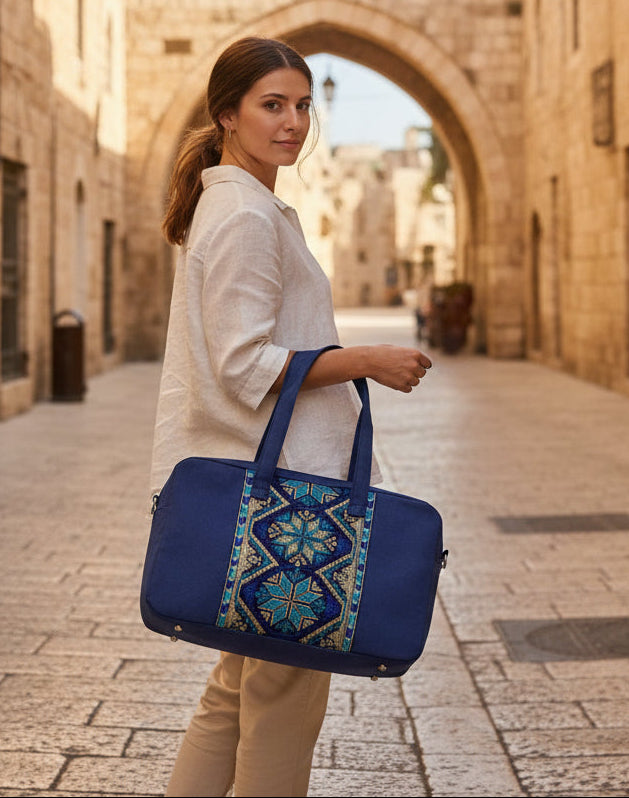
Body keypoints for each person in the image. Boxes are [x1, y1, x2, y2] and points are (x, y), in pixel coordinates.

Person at [149, 36, 432, 798]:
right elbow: (245, 365)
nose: (293, 123)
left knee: (234, 695)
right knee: (280, 703)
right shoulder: (242, 214)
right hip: (286, 502)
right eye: (272, 105)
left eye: (302, 105)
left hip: (259, 493)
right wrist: (367, 359)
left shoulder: (241, 203)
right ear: (227, 116)